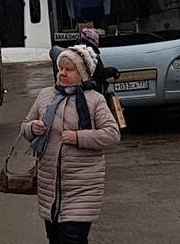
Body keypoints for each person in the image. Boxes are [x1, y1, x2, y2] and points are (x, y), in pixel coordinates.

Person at [22, 44, 121, 243]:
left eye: (69, 69)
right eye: (61, 69)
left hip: (82, 187)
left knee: (73, 239)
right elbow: (24, 127)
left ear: (83, 74)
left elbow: (112, 134)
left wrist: (79, 137)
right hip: (50, 189)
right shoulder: (46, 96)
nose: (62, 74)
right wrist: (34, 128)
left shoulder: (94, 100)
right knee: (55, 239)